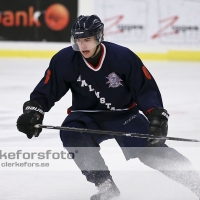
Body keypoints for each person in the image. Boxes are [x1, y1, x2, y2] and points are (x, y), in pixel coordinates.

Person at [17, 15, 200, 200]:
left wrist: (156, 115)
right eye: (78, 40)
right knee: (71, 133)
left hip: (124, 115)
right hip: (87, 116)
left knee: (151, 150)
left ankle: (195, 181)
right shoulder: (64, 60)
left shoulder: (123, 57)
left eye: (87, 40)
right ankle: (105, 185)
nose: (82, 46)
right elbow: (48, 89)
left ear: (99, 37)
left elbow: (144, 88)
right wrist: (34, 112)